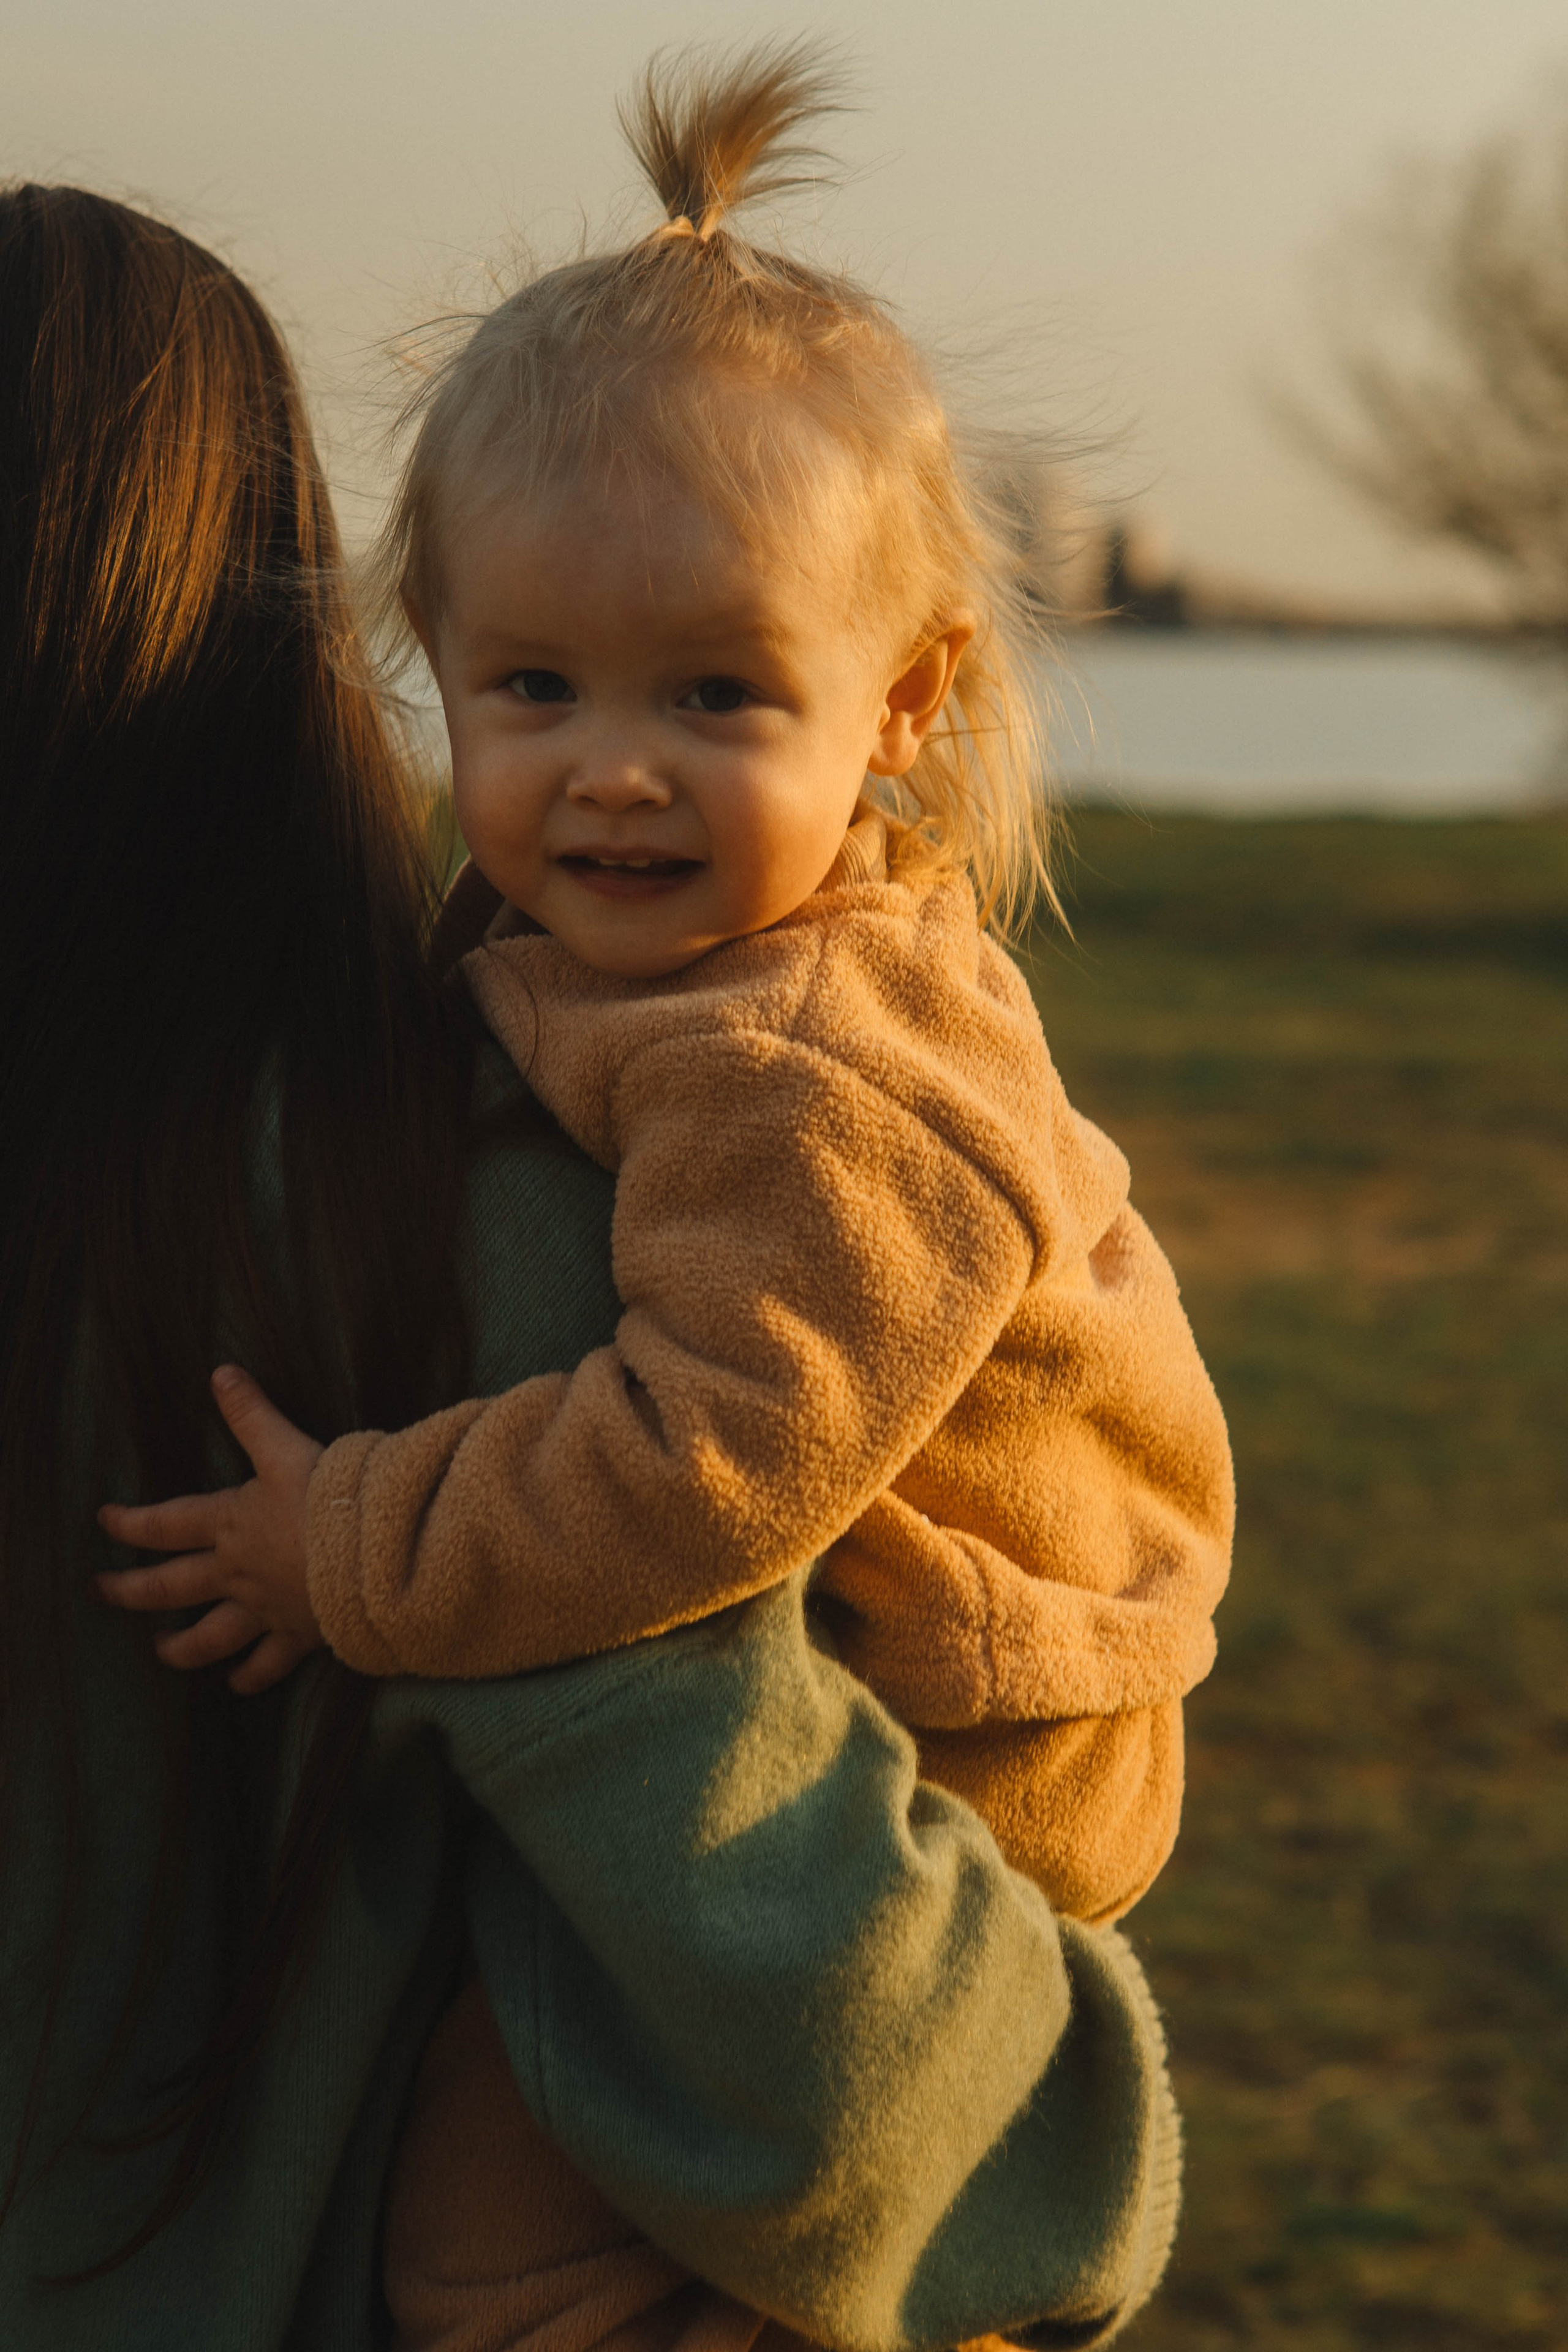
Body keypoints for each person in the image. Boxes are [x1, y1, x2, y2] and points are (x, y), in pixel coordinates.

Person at [100, 39, 1226, 2352]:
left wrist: (356, 1548)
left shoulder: (819, 1077)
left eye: (718, 693)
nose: (611, 769)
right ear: (435, 665)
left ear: (903, 705)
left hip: (976, 1752)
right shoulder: (661, 976)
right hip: (902, 1685)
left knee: (497, 2248)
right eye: (533, 686)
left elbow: (714, 1455)